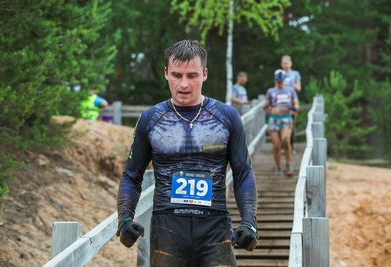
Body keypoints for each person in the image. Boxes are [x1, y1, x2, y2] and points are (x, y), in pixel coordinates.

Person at [116, 40, 258, 267]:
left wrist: (249, 222)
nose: (184, 84)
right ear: (165, 73)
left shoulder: (228, 117)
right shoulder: (150, 119)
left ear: (205, 74)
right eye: (177, 75)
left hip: (215, 229)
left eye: (192, 75)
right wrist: (124, 219)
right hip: (167, 230)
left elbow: (243, 174)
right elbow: (131, 175)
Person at [263, 69, 299, 176]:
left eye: (281, 80)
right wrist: (270, 108)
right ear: (275, 80)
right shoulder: (270, 91)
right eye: (278, 80)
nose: (280, 82)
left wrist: (294, 109)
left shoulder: (290, 90)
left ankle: (288, 164)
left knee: (285, 140)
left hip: (286, 118)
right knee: (276, 144)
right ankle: (278, 167)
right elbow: (264, 105)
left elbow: (295, 104)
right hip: (274, 119)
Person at [281, 55, 301, 153]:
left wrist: (295, 87)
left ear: (291, 63)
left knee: (291, 124)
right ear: (281, 64)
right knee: (281, 122)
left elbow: (299, 87)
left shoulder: (295, 74)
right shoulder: (279, 73)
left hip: (292, 101)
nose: (285, 65)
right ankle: (282, 145)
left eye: (287, 63)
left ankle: (291, 145)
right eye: (284, 63)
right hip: (281, 101)